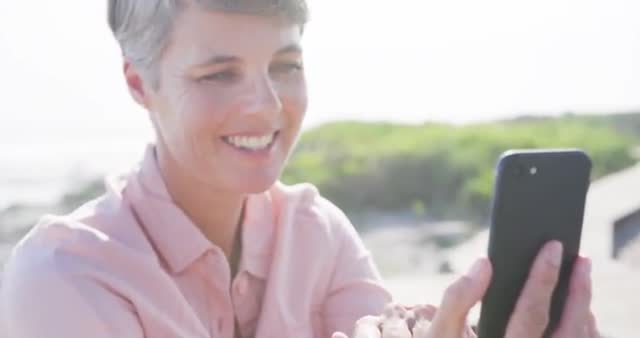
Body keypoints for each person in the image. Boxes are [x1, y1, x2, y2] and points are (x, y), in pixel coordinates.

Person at [0, 1, 598, 337]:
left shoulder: (318, 233)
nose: (266, 105)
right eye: (218, 74)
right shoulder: (65, 276)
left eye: (285, 65)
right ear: (139, 83)